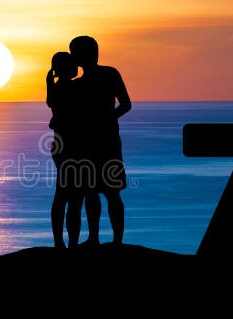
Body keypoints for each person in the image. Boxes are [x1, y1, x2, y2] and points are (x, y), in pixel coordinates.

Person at [68, 35, 131, 245]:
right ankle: (95, 237)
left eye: (76, 52)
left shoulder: (109, 74)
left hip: (106, 141)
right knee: (91, 192)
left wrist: (105, 119)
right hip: (88, 143)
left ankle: (115, 240)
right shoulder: (77, 84)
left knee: (110, 193)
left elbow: (125, 104)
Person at [46, 52, 102, 249]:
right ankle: (69, 243)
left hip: (64, 147)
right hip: (74, 147)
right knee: (73, 198)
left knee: (64, 195)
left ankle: (63, 242)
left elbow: (52, 102)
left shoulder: (56, 89)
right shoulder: (75, 87)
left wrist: (48, 81)